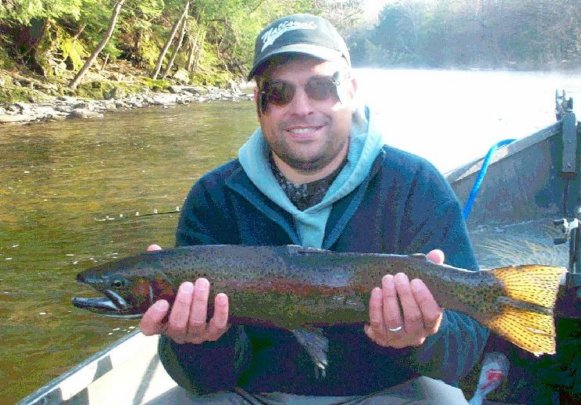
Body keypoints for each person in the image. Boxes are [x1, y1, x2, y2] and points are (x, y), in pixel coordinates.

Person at [140, 13, 488, 403]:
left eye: (322, 87)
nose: (301, 108)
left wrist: (428, 334)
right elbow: (202, 380)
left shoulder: (414, 184)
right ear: (259, 104)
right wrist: (194, 343)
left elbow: (468, 346)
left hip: (389, 389)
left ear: (351, 91)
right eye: (279, 92)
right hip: (252, 393)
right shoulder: (213, 197)